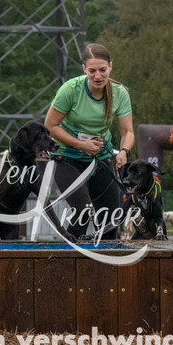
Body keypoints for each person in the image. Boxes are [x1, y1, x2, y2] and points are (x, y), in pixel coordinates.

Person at [44, 43, 135, 239]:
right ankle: (66, 255)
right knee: (83, 212)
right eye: (92, 71)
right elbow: (50, 127)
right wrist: (80, 145)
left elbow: (128, 131)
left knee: (110, 220)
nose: (98, 76)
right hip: (67, 158)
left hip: (100, 159)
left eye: (103, 70)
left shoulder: (119, 93)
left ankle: (105, 258)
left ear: (110, 67)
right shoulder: (70, 90)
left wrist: (124, 151)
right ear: (84, 69)